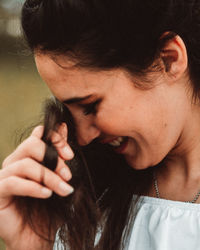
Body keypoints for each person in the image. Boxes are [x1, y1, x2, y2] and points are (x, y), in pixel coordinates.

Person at [1, 0, 200, 249]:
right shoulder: (81, 198)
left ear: (168, 59)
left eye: (90, 106)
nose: (82, 138)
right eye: (67, 109)